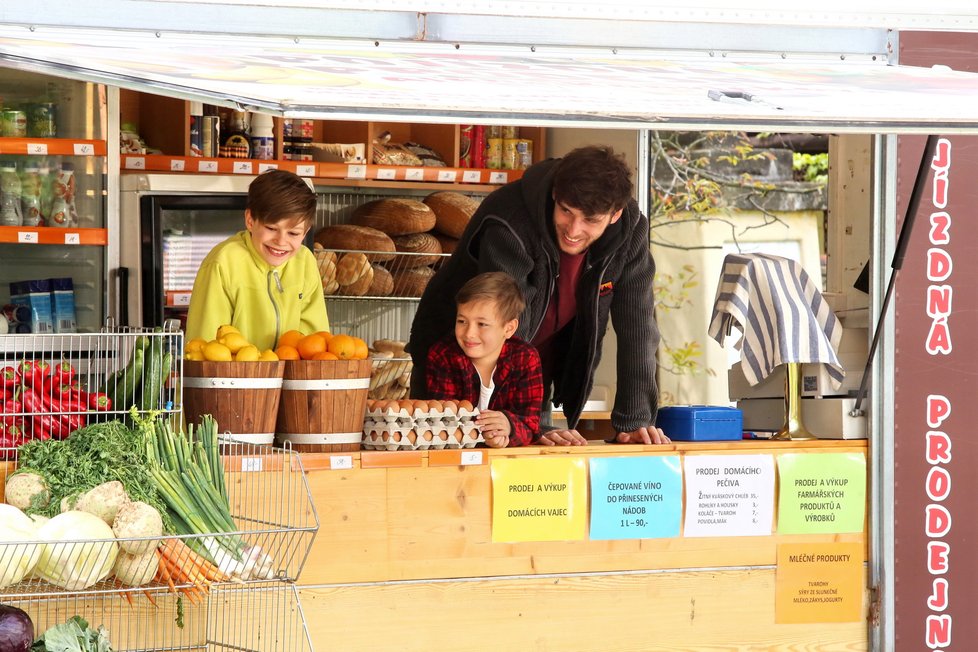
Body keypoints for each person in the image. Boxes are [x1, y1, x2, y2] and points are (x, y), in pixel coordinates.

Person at [409, 145, 668, 446]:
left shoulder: (630, 233)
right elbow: (506, 319)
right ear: (555, 195)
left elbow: (638, 325)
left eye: (590, 220)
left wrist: (635, 420)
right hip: (451, 362)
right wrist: (535, 424)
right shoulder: (511, 218)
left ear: (615, 215)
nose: (573, 229)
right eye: (566, 211)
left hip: (529, 368)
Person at [186, 169, 329, 351]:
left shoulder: (305, 262)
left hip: (289, 378)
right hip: (234, 378)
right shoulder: (223, 263)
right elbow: (206, 349)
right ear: (250, 220)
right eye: (271, 228)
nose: (281, 241)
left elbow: (315, 342)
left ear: (305, 232)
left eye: (293, 233)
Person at [426, 272, 543, 448]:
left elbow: (531, 425)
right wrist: (487, 433)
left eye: (482, 324)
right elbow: (442, 422)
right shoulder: (443, 356)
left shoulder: (526, 358)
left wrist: (509, 428)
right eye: (462, 321)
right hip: (453, 459)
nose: (469, 333)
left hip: (505, 464)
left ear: (509, 328)